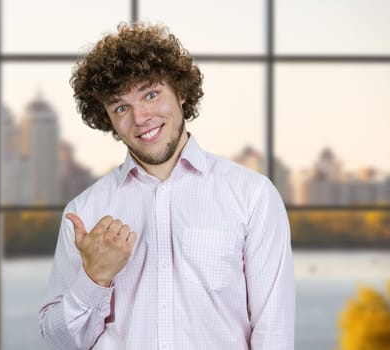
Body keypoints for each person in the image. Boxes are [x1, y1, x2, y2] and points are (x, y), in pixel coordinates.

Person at [38, 22, 295, 350]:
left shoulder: (252, 196)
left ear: (181, 93)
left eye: (150, 93)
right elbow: (59, 342)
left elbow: (273, 334)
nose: (140, 116)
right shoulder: (84, 213)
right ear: (108, 120)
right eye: (121, 107)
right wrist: (94, 279)